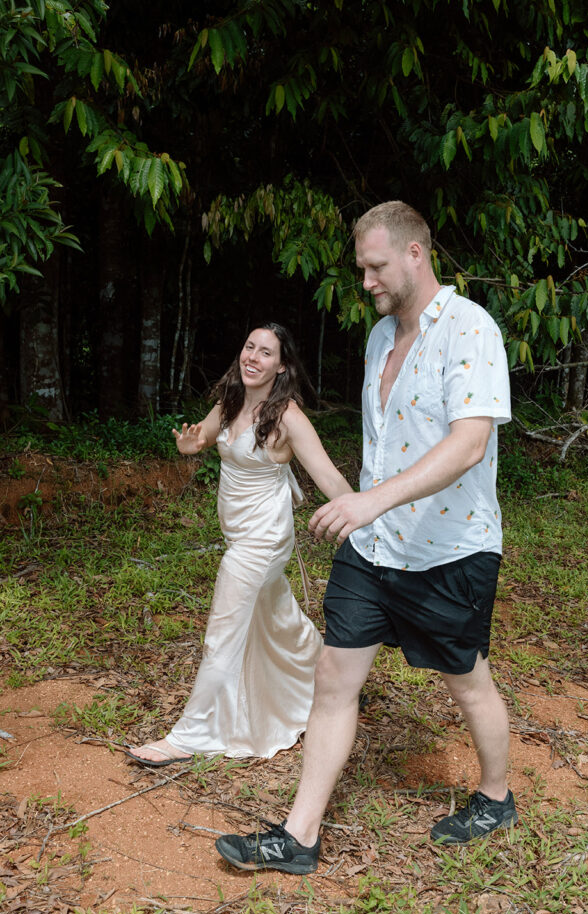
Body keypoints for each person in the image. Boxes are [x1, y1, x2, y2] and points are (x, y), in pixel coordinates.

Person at [215, 201, 515, 875]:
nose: (366, 281)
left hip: (448, 550)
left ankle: (495, 796)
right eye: (361, 268)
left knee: (465, 680)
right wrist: (365, 512)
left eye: (375, 266)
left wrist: (367, 500)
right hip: (371, 548)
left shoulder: (469, 330)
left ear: (415, 254)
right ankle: (299, 836)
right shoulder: (382, 337)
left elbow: (469, 445)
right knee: (333, 677)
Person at [127, 322, 352, 767]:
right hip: (239, 534)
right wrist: (191, 446)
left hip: (262, 540)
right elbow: (204, 439)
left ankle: (189, 736)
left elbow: (328, 477)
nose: (253, 357)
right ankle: (328, 674)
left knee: (223, 631)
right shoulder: (230, 401)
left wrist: (366, 515)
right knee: (274, 616)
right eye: (249, 347)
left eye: (266, 352)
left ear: (281, 365)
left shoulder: (287, 416)